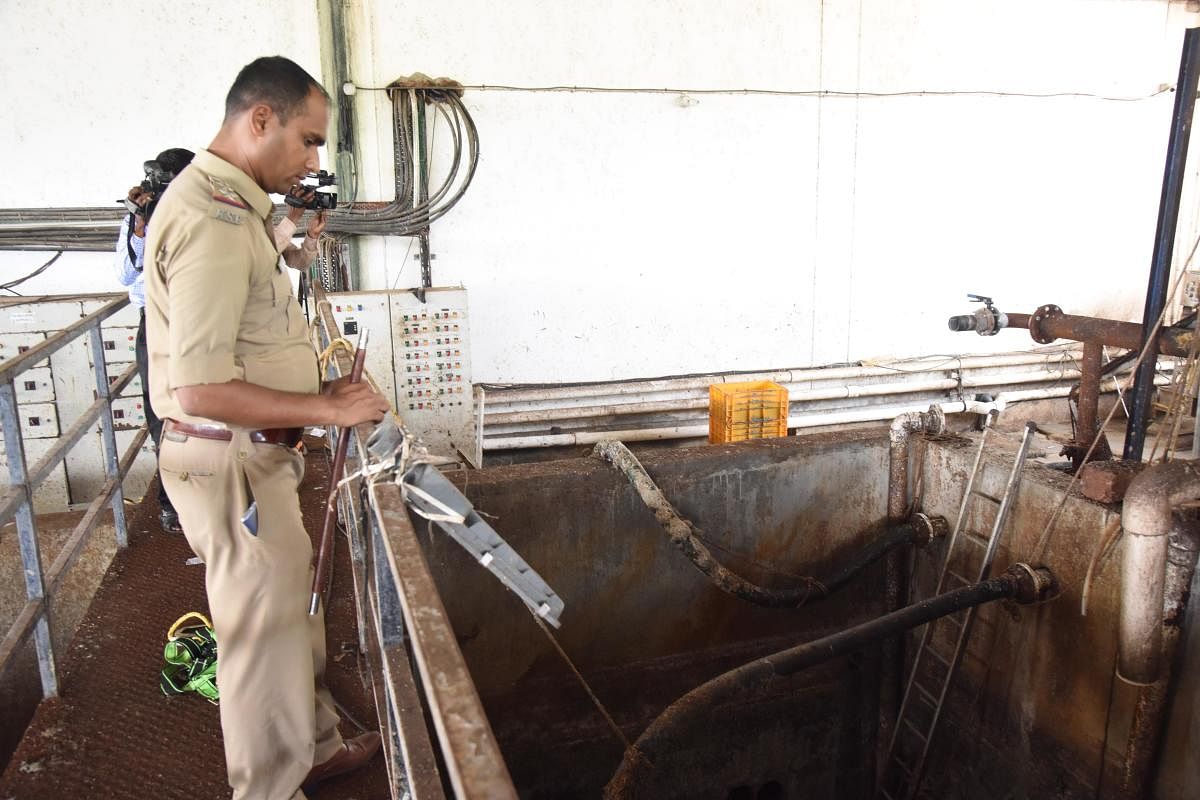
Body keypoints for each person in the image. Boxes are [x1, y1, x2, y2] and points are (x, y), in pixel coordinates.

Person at [143, 56, 389, 800]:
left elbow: (247, 327)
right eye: (309, 141)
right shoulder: (213, 220)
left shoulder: (237, 208)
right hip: (228, 460)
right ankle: (266, 787)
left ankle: (306, 748)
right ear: (260, 119)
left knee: (288, 617)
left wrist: (315, 386)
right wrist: (327, 408)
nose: (313, 160)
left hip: (253, 457)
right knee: (257, 636)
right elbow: (201, 385)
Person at [115, 147, 194, 533]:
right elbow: (126, 276)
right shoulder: (138, 218)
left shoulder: (199, 215)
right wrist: (140, 229)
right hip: (157, 323)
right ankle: (171, 504)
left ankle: (214, 492)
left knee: (207, 407)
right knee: (160, 412)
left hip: (197, 320)